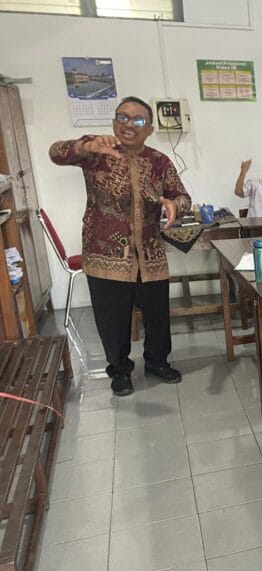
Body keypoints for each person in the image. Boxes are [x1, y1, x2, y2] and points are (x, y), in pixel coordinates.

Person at [49, 96, 190, 396]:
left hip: (150, 254)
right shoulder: (95, 153)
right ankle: (120, 371)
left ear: (149, 129)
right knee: (112, 318)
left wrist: (173, 203)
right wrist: (86, 146)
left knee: (157, 314)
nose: (128, 125)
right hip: (104, 253)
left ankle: (157, 362)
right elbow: (56, 152)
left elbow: (183, 196)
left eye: (137, 120)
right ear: (114, 122)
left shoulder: (159, 161)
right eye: (122, 117)